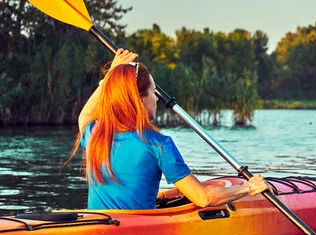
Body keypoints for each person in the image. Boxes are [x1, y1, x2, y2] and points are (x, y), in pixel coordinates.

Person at [69, 49, 270, 210]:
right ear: (140, 100)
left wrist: (111, 76)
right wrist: (249, 187)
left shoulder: (96, 133)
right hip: (137, 233)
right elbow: (203, 198)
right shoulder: (158, 144)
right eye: (152, 92)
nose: (156, 99)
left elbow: (84, 116)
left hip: (98, 224)